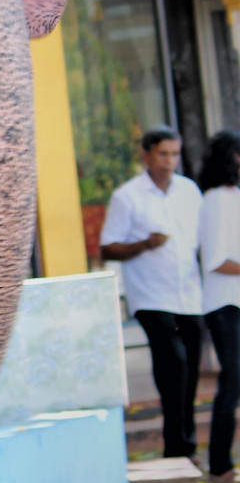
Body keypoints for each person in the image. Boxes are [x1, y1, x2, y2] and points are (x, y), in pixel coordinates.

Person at [100, 125, 203, 463]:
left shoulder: (189, 191)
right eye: (163, 154)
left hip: (190, 294)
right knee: (174, 362)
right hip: (151, 296)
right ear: (146, 155)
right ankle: (178, 449)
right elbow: (108, 247)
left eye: (174, 154)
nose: (169, 161)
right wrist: (145, 244)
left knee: (190, 367)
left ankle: (184, 445)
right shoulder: (127, 196)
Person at [198, 130, 240, 483]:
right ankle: (219, 464)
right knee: (233, 380)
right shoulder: (215, 199)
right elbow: (214, 259)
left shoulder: (233, 197)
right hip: (224, 304)